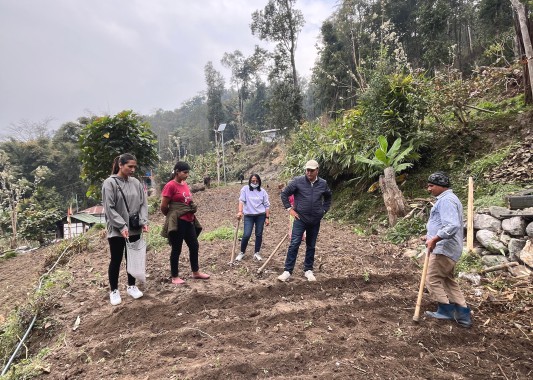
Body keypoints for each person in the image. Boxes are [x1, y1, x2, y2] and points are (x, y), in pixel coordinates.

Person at [424, 171, 472, 328]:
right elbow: (445, 224)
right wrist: (430, 236)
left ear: (440, 186)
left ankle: (446, 311)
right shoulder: (449, 199)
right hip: (448, 247)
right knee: (448, 280)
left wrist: (435, 239)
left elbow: (452, 225)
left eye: (431, 186)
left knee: (431, 279)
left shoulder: (446, 201)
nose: (429, 189)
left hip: (444, 248)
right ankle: (463, 314)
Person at [102, 153, 149, 306]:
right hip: (117, 229)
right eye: (130, 166)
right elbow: (109, 208)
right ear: (120, 165)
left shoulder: (136, 182)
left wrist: (143, 221)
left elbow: (143, 203)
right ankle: (114, 290)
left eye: (134, 166)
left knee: (132, 257)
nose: (133, 169)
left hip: (134, 227)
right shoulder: (110, 183)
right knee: (116, 259)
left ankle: (131, 286)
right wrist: (121, 225)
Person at [278, 160, 332, 282]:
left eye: (312, 170)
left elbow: (328, 197)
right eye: (307, 170)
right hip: (300, 218)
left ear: (317, 170)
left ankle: (308, 270)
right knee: (294, 243)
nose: (309, 172)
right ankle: (287, 271)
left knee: (311, 245)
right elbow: (284, 194)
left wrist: (323, 211)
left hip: (315, 220)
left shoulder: (323, 183)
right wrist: (289, 209)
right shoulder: (298, 181)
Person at [160, 161, 210, 285]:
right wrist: (173, 216)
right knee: (176, 248)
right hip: (178, 221)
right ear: (177, 172)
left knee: (194, 245)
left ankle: (195, 272)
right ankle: (175, 276)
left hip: (189, 220)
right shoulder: (170, 185)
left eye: (188, 172)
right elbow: (164, 206)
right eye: (185, 172)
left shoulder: (185, 184)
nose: (187, 175)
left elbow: (187, 200)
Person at [235, 174, 271, 262]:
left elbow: (266, 205)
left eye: (256, 181)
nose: (254, 182)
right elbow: (241, 201)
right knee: (246, 234)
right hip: (248, 216)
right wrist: (240, 212)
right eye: (253, 181)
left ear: (259, 181)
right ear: (250, 181)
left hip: (260, 215)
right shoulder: (245, 189)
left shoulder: (263, 192)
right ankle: (242, 252)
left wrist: (267, 217)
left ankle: (257, 253)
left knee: (258, 234)